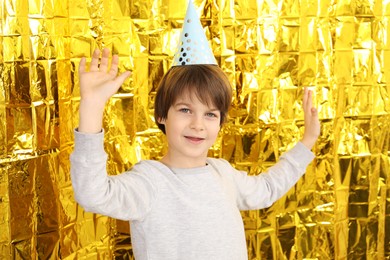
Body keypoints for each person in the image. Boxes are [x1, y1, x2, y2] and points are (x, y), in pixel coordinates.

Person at [70, 47, 320, 260]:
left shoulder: (223, 173)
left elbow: (266, 189)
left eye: (210, 114)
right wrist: (92, 106)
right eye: (185, 110)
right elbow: (93, 194)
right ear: (162, 116)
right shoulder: (149, 182)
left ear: (220, 123)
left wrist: (307, 141)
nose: (198, 124)